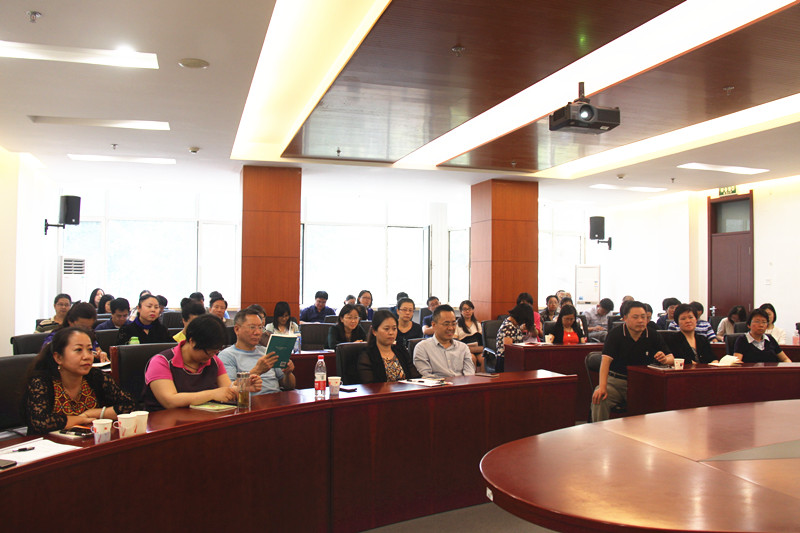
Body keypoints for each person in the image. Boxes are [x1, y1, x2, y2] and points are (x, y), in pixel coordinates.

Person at [23, 327, 135, 435]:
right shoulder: (41, 382)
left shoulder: (96, 377)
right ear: (58, 358)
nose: (87, 356)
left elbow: (129, 406)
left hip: (90, 441)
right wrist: (80, 419)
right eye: (78, 350)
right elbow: (40, 423)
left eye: (90, 350)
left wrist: (92, 413)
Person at [142, 314, 247, 411]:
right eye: (208, 351)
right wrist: (212, 394)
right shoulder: (161, 362)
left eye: (215, 351)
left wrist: (242, 388)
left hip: (203, 419)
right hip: (165, 421)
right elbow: (170, 401)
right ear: (192, 341)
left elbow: (226, 389)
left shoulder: (214, 360)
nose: (212, 355)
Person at [591, 301, 673, 422]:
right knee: (600, 397)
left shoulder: (652, 334)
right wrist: (602, 387)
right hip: (616, 383)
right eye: (635, 317)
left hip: (643, 383)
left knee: (664, 398)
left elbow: (671, 358)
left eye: (643, 317)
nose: (640, 321)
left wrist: (665, 359)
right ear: (625, 318)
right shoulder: (615, 334)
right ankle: (599, 432)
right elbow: (605, 362)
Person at [219, 309, 295, 394]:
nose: (258, 332)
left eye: (260, 327)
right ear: (237, 329)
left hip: (276, 398)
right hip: (251, 400)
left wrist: (287, 374)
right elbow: (229, 391)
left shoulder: (266, 351)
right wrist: (257, 370)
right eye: (252, 327)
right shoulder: (227, 356)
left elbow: (289, 386)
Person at [358, 310, 421, 383]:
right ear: (374, 331)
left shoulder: (400, 349)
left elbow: (415, 377)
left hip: (405, 389)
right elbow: (369, 384)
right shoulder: (367, 354)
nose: (391, 333)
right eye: (386, 329)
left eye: (394, 329)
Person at [414, 305, 475, 378]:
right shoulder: (422, 348)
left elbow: (469, 375)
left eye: (453, 324)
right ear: (434, 325)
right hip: (437, 385)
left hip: (462, 384)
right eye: (446, 324)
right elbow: (427, 376)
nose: (451, 328)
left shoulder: (463, 347)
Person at [42, 303, 107, 362]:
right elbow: (47, 356)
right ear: (70, 322)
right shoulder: (55, 337)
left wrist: (101, 354)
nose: (85, 331)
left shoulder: (89, 335)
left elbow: (98, 350)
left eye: (89, 328)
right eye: (82, 327)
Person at [495, 303, 534, 372]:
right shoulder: (508, 327)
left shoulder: (514, 325)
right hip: (505, 362)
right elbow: (509, 350)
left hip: (513, 361)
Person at [455, 300, 484, 370]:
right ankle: (473, 376)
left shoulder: (477, 324)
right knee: (472, 358)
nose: (467, 311)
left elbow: (482, 339)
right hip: (464, 349)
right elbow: (455, 340)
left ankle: (482, 376)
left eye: (469, 309)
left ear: (473, 310)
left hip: (477, 349)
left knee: (483, 358)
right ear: (461, 311)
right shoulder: (457, 325)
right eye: (465, 309)